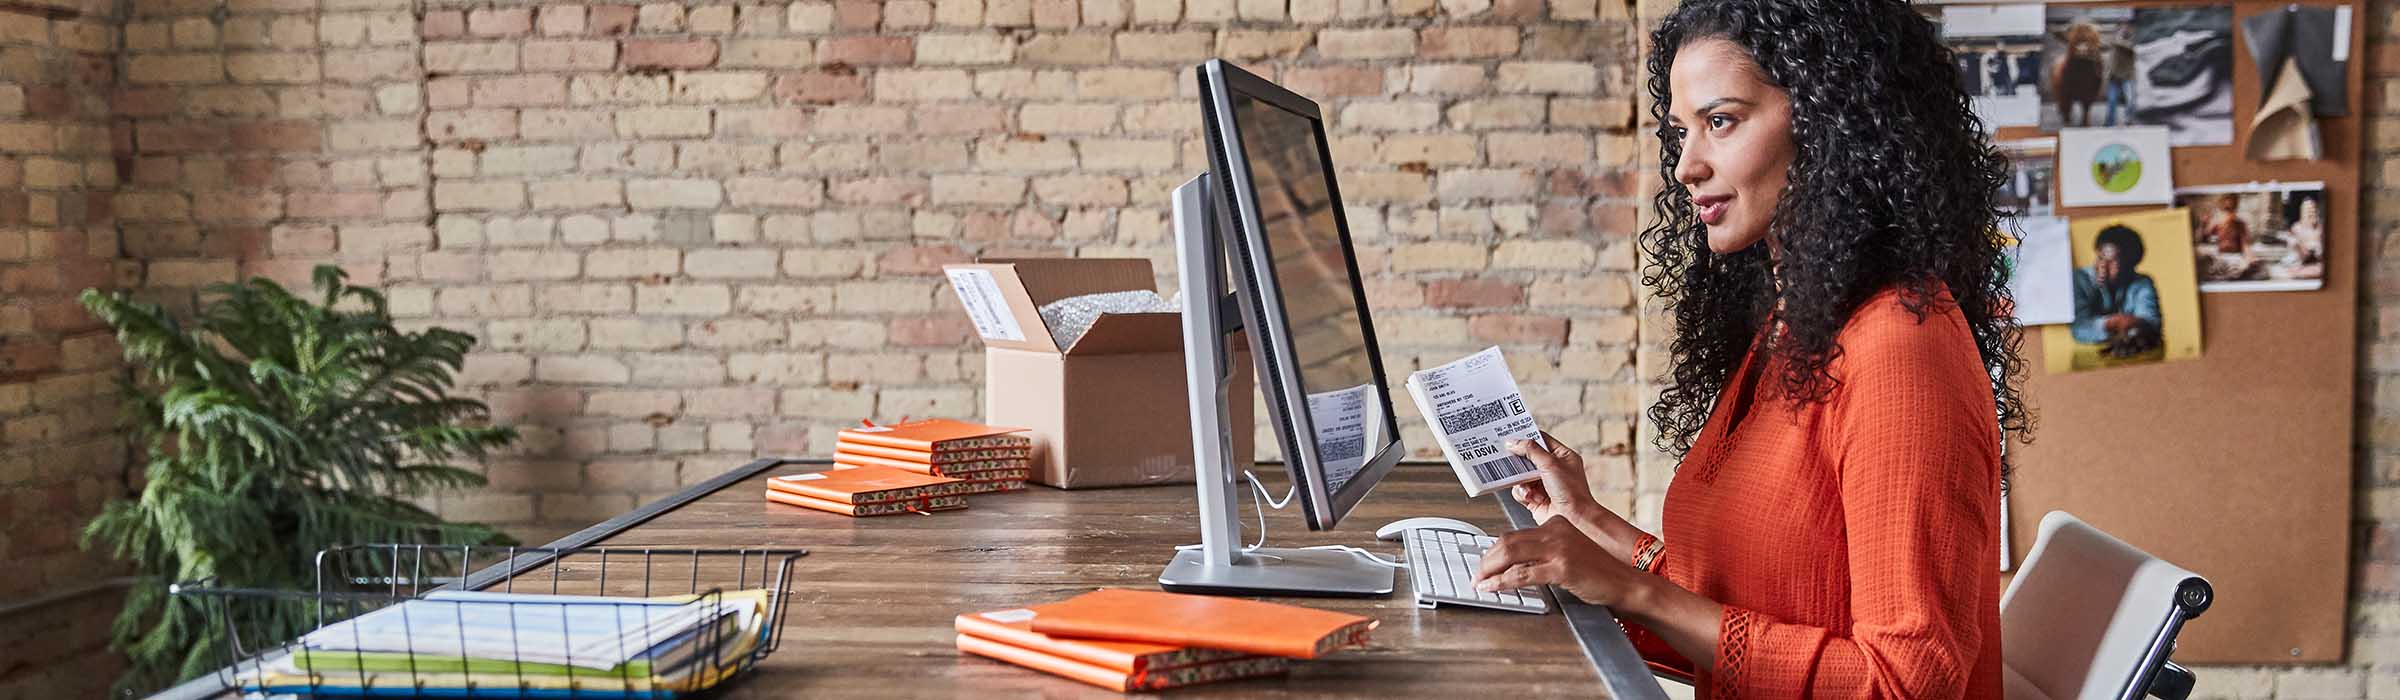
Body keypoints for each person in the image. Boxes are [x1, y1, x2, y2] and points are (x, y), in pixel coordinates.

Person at [1469, 1, 2028, 698]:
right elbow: (1757, 600)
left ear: (1830, 122)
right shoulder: (1793, 326)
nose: (1686, 167)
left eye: (1721, 121)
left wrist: (1631, 592)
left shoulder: (1900, 351)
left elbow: (1907, 683)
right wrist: (1585, 521)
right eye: (1683, 132)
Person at [2069, 225, 2163, 356]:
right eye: (2101, 258)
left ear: (2130, 265)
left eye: (2113, 262)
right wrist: (2117, 322)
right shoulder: (2078, 279)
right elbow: (2079, 329)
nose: (2102, 266)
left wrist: (2106, 325)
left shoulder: (2142, 283)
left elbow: (2152, 324)